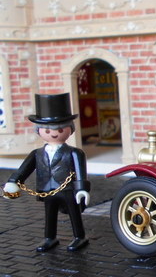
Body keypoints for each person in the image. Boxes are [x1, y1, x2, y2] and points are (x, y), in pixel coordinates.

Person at [3, 93, 91, 252]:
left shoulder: (75, 153)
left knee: (74, 212)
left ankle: (79, 236)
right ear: (39, 130)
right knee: (49, 214)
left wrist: (82, 189)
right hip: (47, 189)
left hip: (67, 189)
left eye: (60, 129)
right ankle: (50, 238)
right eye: (48, 130)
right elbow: (24, 169)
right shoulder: (37, 154)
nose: (54, 133)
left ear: (70, 129)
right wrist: (14, 181)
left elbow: (80, 171)